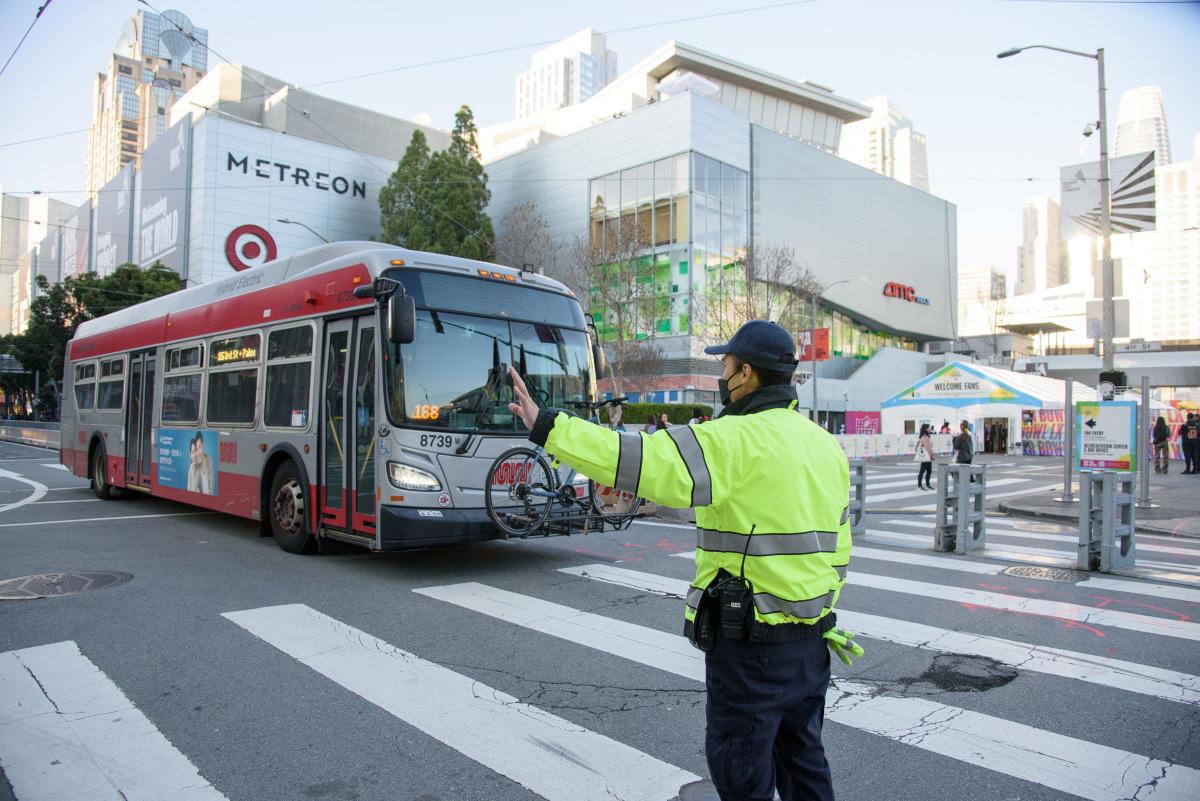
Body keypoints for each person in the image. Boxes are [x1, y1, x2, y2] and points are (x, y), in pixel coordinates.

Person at [506, 320, 858, 801]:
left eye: (726, 366)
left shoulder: (730, 439)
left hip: (750, 652)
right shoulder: (824, 446)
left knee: (743, 778)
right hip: (811, 647)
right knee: (805, 763)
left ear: (746, 374)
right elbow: (840, 550)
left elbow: (636, 459)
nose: (721, 375)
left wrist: (549, 427)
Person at [916, 424, 934, 490]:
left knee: (928, 471)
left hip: (926, 456)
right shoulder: (925, 437)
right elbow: (928, 448)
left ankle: (926, 484)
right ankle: (920, 485)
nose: (930, 429)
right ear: (926, 429)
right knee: (923, 471)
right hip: (926, 456)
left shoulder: (926, 436)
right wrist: (931, 455)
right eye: (929, 428)